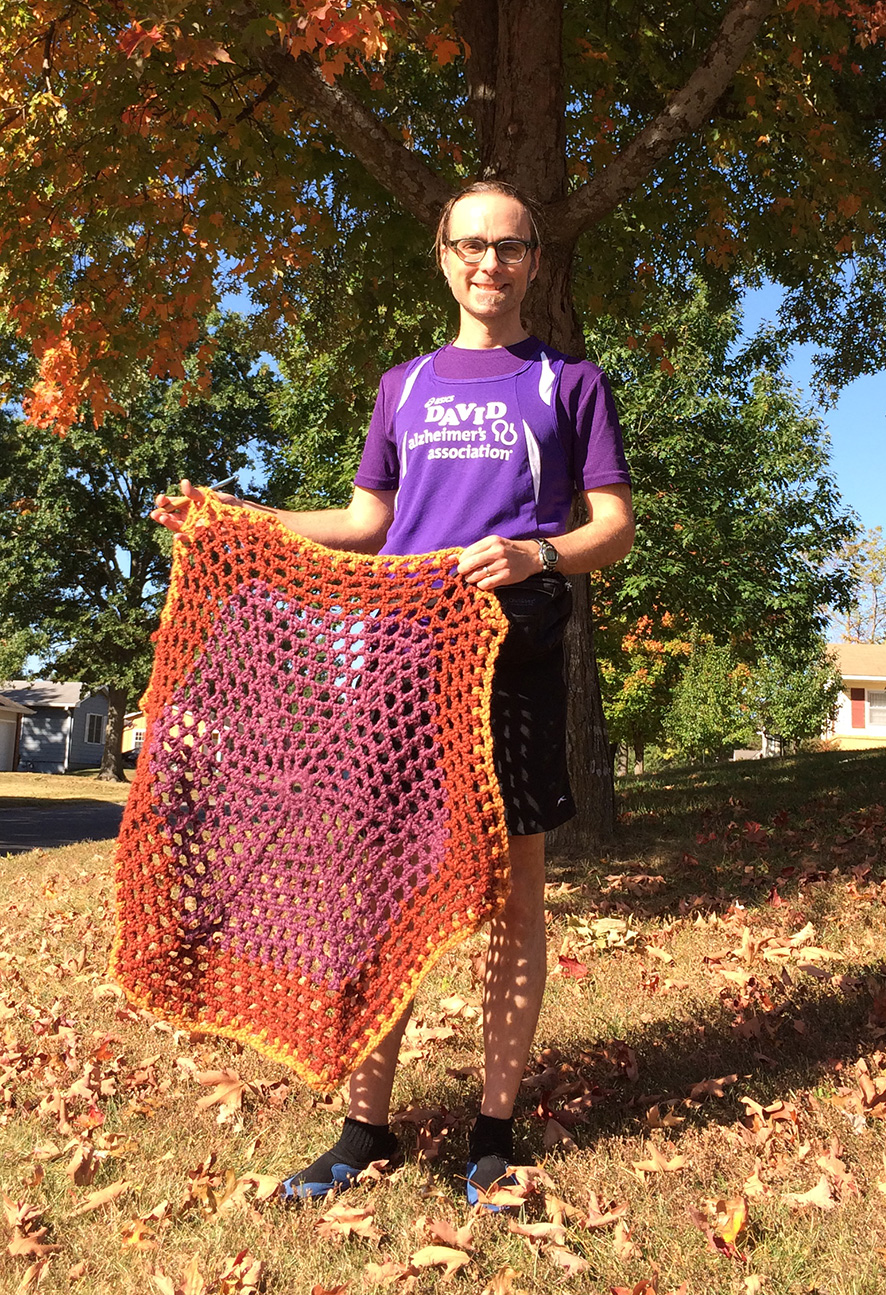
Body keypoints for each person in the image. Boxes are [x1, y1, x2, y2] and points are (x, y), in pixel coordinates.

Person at [152, 180, 634, 1205]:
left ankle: (492, 1130)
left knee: (514, 900)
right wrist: (244, 515)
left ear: (535, 262)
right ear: (442, 254)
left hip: (516, 661)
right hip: (397, 668)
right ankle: (365, 1127)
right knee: (381, 898)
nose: (488, 264)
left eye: (509, 247)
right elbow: (369, 521)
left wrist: (535, 553)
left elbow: (612, 528)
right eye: (471, 245)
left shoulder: (570, 382)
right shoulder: (403, 387)